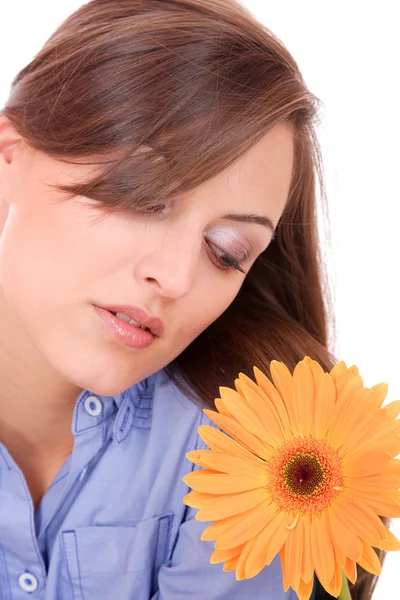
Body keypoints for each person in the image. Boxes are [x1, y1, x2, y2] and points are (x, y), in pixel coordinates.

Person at [0, 1, 382, 599]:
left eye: (226, 251)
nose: (176, 277)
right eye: (144, 195)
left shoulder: (270, 460)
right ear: (10, 154)